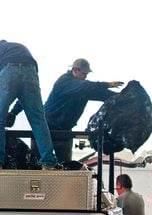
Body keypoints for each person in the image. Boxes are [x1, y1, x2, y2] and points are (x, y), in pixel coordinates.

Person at [7, 58, 123, 162]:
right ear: (75, 70)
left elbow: (100, 94)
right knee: (38, 165)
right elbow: (86, 86)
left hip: (65, 132)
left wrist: (122, 97)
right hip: (47, 129)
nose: (85, 76)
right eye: (84, 73)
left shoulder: (83, 88)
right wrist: (106, 84)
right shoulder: (65, 82)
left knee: (64, 167)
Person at [0, 40, 60, 170]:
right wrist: (13, 113)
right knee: (38, 121)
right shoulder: (17, 47)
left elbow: (8, 83)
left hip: (9, 70)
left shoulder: (2, 51)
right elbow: (24, 96)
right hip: (31, 72)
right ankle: (49, 163)